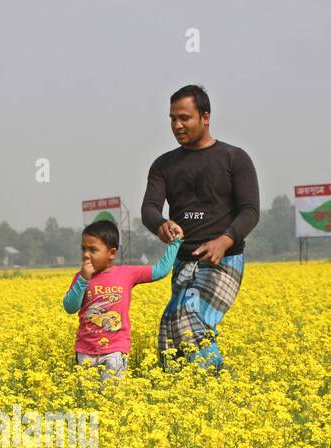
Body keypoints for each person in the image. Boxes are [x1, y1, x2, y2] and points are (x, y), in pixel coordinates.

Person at [141, 84, 260, 372]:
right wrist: (161, 224)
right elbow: (149, 209)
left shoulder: (234, 158)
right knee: (170, 333)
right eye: (172, 119)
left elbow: (250, 211)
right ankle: (186, 398)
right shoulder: (164, 165)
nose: (177, 125)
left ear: (205, 117)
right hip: (183, 261)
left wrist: (224, 241)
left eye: (185, 118)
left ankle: (215, 383)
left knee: (187, 318)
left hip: (222, 259)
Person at [61, 218, 182, 381]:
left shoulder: (126, 273)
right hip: (85, 351)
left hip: (115, 349)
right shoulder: (81, 278)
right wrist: (83, 280)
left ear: (112, 253)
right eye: (83, 249)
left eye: (92, 250)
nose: (86, 255)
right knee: (90, 400)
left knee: (112, 397)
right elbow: (70, 307)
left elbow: (161, 270)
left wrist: (175, 243)